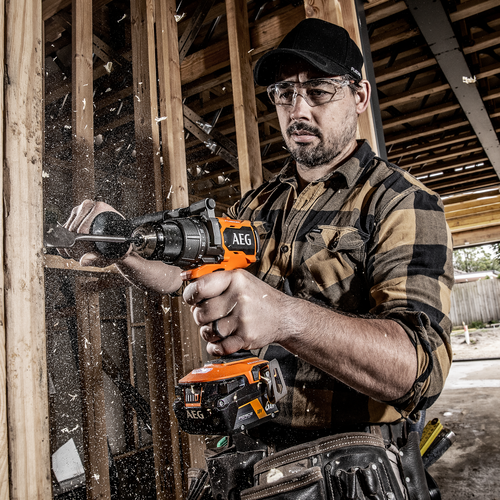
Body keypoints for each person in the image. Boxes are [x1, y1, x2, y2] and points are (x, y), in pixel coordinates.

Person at [62, 18, 453, 500]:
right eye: (284, 93)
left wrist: (286, 318)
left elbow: (418, 369)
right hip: (255, 460)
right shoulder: (256, 205)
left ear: (359, 95)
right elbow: (184, 275)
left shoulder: (401, 202)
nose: (298, 109)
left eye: (318, 91)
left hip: (355, 469)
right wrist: (125, 246)